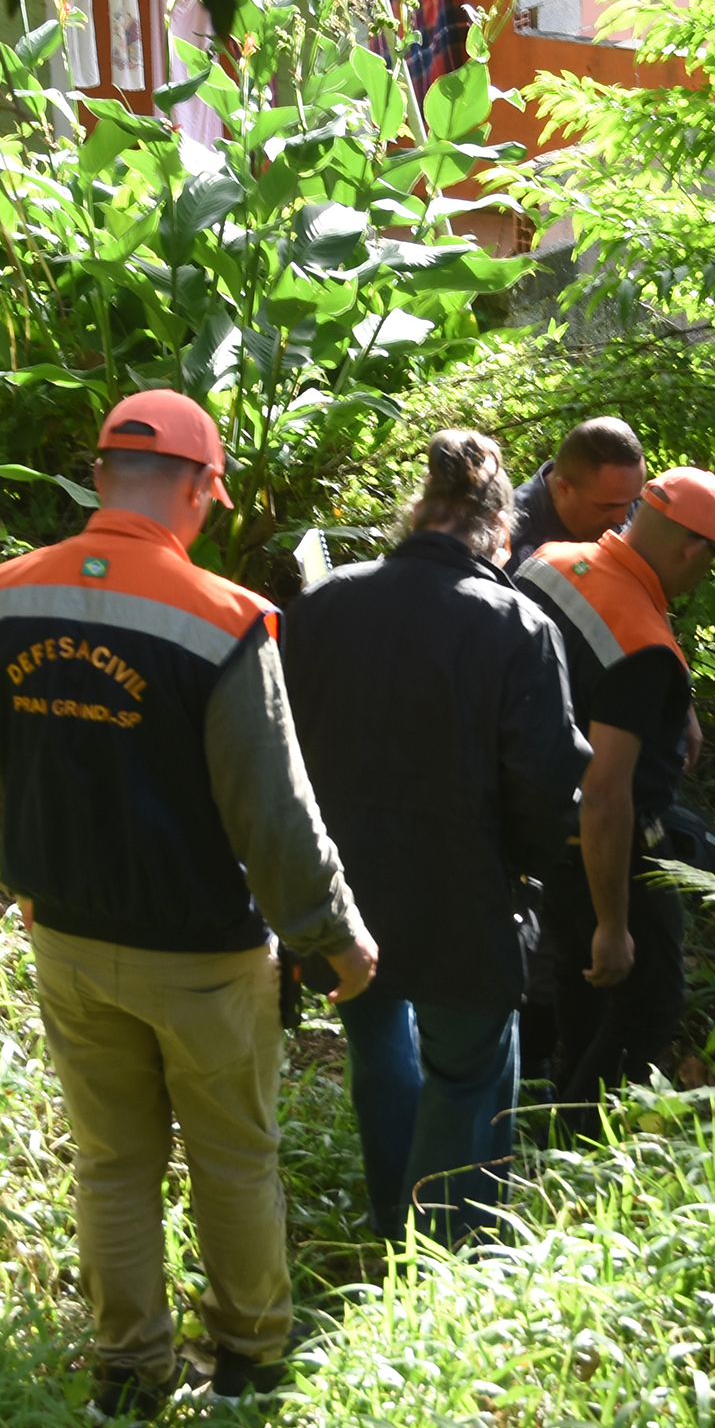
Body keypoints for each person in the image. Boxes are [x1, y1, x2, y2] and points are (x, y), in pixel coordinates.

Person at [0, 389, 379, 1422]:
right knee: (233, 1158)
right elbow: (273, 811)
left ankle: (129, 1375)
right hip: (199, 948)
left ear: (101, 476)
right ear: (198, 490)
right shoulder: (225, 620)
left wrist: (16, 880)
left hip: (64, 932)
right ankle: (248, 1366)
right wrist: (333, 934)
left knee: (111, 1161)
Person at [281, 430, 589, 1244]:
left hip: (343, 888)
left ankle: (393, 1221)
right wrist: (522, 872)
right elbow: (548, 783)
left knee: (379, 1041)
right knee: (472, 1066)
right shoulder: (519, 625)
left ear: (419, 509)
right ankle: (448, 1247)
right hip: (464, 891)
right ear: (502, 528)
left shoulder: (325, 603)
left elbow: (284, 750)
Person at [516, 468, 715, 1119]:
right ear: (691, 551)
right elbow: (609, 792)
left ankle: (549, 1131)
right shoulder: (644, 646)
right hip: (605, 848)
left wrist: (678, 707)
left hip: (531, 828)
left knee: (577, 992)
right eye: (712, 563)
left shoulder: (549, 562)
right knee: (648, 1004)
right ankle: (578, 1147)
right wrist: (615, 925)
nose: (706, 577)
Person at [506, 416, 645, 572]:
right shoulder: (508, 535)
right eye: (608, 507)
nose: (621, 519)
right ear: (564, 488)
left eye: (632, 502)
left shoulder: (624, 502)